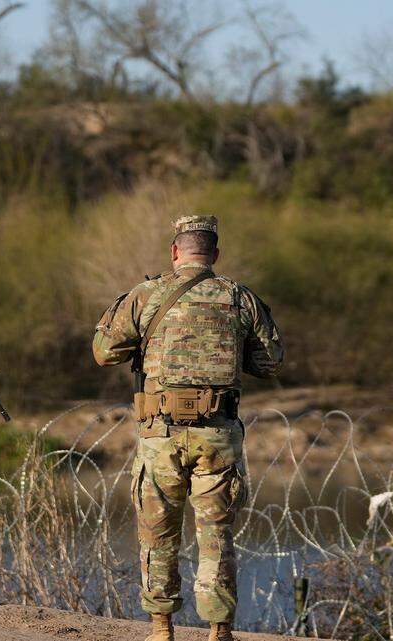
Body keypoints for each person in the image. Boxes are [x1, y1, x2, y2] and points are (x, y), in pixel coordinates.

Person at [92, 215, 283, 641]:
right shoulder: (239, 297)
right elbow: (270, 363)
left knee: (158, 534)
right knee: (215, 536)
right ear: (214, 254)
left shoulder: (146, 295)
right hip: (217, 435)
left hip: (160, 435)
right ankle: (220, 631)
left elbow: (104, 352)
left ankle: (161, 629)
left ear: (175, 252)